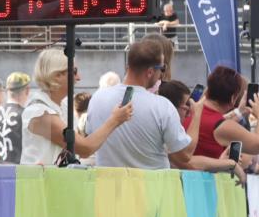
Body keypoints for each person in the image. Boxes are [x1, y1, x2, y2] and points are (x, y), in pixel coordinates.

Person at [85, 38, 202, 170]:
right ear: (150, 71)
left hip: (107, 187)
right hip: (150, 188)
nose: (161, 74)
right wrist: (196, 114)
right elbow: (185, 155)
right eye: (162, 68)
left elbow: (90, 137)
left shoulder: (97, 98)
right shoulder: (162, 106)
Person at [20, 46, 133, 166]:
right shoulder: (40, 112)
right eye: (74, 71)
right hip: (40, 183)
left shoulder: (61, 106)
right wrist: (115, 120)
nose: (78, 77)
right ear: (57, 75)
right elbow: (84, 148)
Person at [0, 72, 31, 164]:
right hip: (19, 171)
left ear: (7, 91)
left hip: (0, 168)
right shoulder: (25, 114)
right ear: (27, 90)